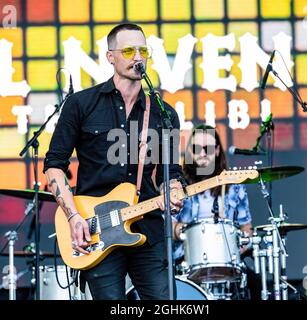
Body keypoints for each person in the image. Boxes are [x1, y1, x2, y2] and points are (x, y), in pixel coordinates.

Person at [43, 23, 184, 300]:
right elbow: (54, 165)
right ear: (111, 57)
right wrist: (73, 217)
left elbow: (170, 172)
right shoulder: (82, 104)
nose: (137, 57)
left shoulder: (163, 113)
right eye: (129, 50)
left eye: (143, 50)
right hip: (98, 227)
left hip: (148, 225)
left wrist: (174, 190)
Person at [172, 124, 253, 263]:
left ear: (216, 150)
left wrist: (240, 246)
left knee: (255, 283)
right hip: (186, 261)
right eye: (197, 149)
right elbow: (168, 227)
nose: (202, 154)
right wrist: (188, 232)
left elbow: (246, 226)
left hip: (227, 259)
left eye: (207, 148)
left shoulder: (234, 185)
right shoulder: (178, 185)